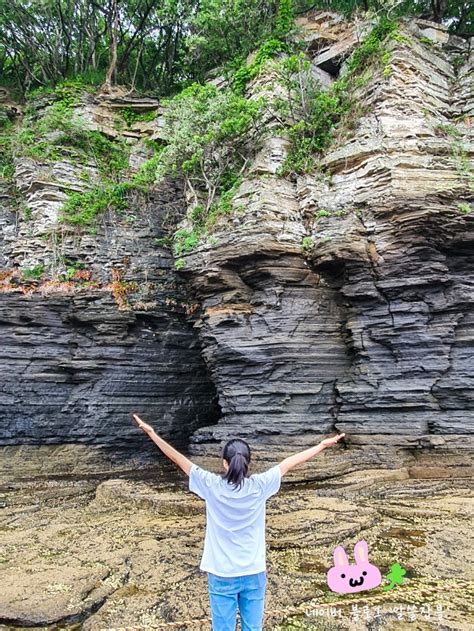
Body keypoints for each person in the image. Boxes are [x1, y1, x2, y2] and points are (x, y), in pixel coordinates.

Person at [132, 413, 345, 631]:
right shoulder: (260, 485)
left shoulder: (211, 485)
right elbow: (289, 463)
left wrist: (152, 433)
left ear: (225, 463)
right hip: (253, 570)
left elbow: (179, 459)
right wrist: (322, 445)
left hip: (222, 573)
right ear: (248, 463)